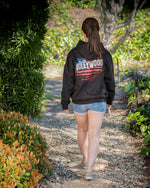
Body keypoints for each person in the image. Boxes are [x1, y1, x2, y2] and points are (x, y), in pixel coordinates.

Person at [61, 17, 115, 180]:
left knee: (82, 130)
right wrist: (110, 100)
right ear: (98, 31)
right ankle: (89, 171)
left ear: (82, 32)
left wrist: (65, 101)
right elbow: (110, 79)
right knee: (94, 135)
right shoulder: (104, 54)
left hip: (79, 101)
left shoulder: (74, 54)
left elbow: (68, 79)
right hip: (98, 101)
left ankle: (85, 160)